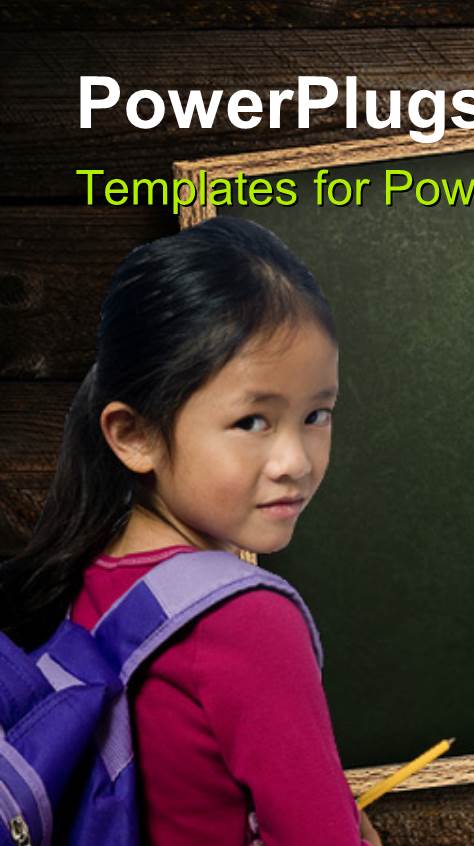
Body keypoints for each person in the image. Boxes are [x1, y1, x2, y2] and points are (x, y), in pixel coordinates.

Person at [0, 217, 382, 845]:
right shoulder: (248, 622)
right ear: (135, 436)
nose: (297, 461)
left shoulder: (82, 582)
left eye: (317, 414)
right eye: (253, 421)